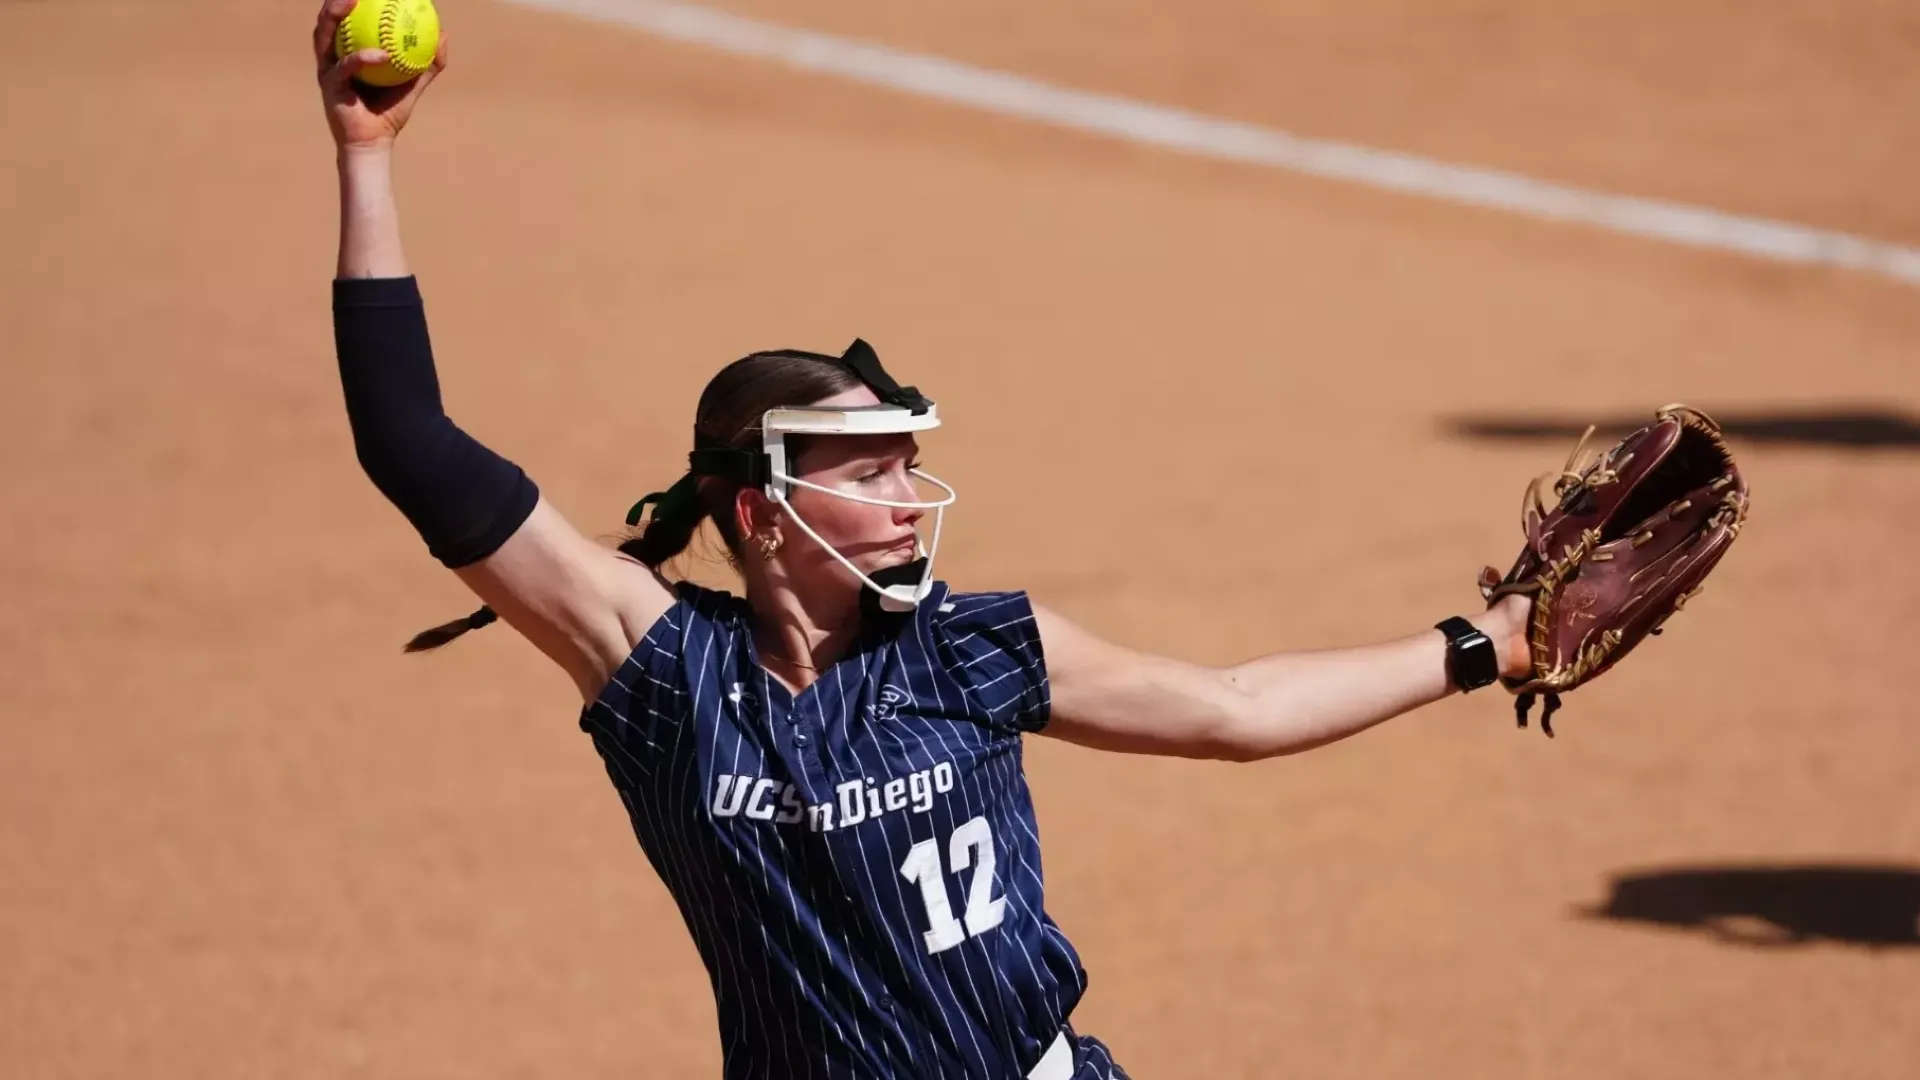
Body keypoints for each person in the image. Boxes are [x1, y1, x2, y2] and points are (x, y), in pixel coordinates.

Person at [313, 3, 1535, 1077]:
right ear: (762, 514)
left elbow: (1236, 710)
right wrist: (366, 158)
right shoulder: (666, 673)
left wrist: (1481, 645)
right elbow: (409, 444)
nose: (910, 497)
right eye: (871, 472)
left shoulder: (971, 649)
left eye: (909, 465)